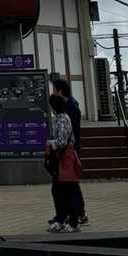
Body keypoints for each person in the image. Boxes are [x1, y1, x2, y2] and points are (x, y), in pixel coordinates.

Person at [51, 77, 88, 225]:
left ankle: (78, 214)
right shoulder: (66, 106)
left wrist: (54, 145)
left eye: (54, 90)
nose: (53, 92)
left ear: (60, 91)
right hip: (66, 151)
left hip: (69, 152)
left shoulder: (71, 108)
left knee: (71, 185)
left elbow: (71, 134)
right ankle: (66, 214)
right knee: (65, 185)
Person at [46, 92, 83, 232]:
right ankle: (61, 218)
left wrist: (50, 143)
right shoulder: (60, 118)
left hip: (64, 159)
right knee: (58, 190)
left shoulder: (61, 119)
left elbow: (61, 141)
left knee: (66, 190)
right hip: (62, 159)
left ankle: (72, 222)